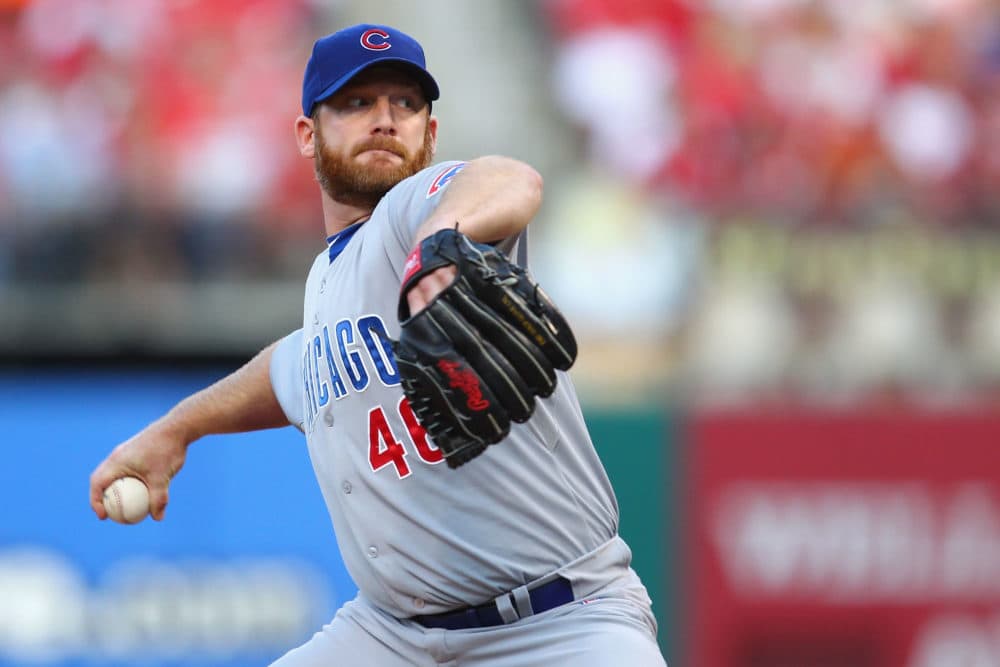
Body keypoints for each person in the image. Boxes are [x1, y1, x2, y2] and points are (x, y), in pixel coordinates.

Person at [89, 23, 668, 666]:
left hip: (558, 625)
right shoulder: (328, 279)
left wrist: (438, 246)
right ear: (308, 134)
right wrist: (177, 430)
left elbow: (510, 179)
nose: (385, 120)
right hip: (394, 636)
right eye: (357, 103)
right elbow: (292, 367)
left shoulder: (408, 217)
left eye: (405, 103)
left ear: (431, 133)